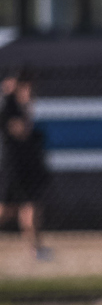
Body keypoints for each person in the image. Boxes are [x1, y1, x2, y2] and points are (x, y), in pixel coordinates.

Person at [1, 72, 52, 260]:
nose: (30, 93)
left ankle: (36, 250)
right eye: (26, 88)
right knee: (7, 211)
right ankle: (36, 249)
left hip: (26, 171)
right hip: (14, 171)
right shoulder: (9, 109)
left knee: (29, 208)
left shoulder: (20, 108)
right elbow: (22, 131)